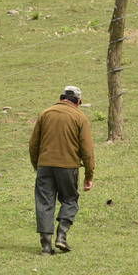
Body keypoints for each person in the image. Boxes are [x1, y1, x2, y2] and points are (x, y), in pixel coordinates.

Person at [28, 84, 95, 254]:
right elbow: (87, 150)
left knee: (44, 202)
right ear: (78, 101)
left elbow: (33, 144)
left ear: (61, 98)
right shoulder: (80, 117)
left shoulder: (45, 114)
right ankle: (61, 236)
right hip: (68, 167)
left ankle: (45, 246)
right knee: (70, 200)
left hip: (44, 166)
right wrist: (89, 175)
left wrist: (38, 165)